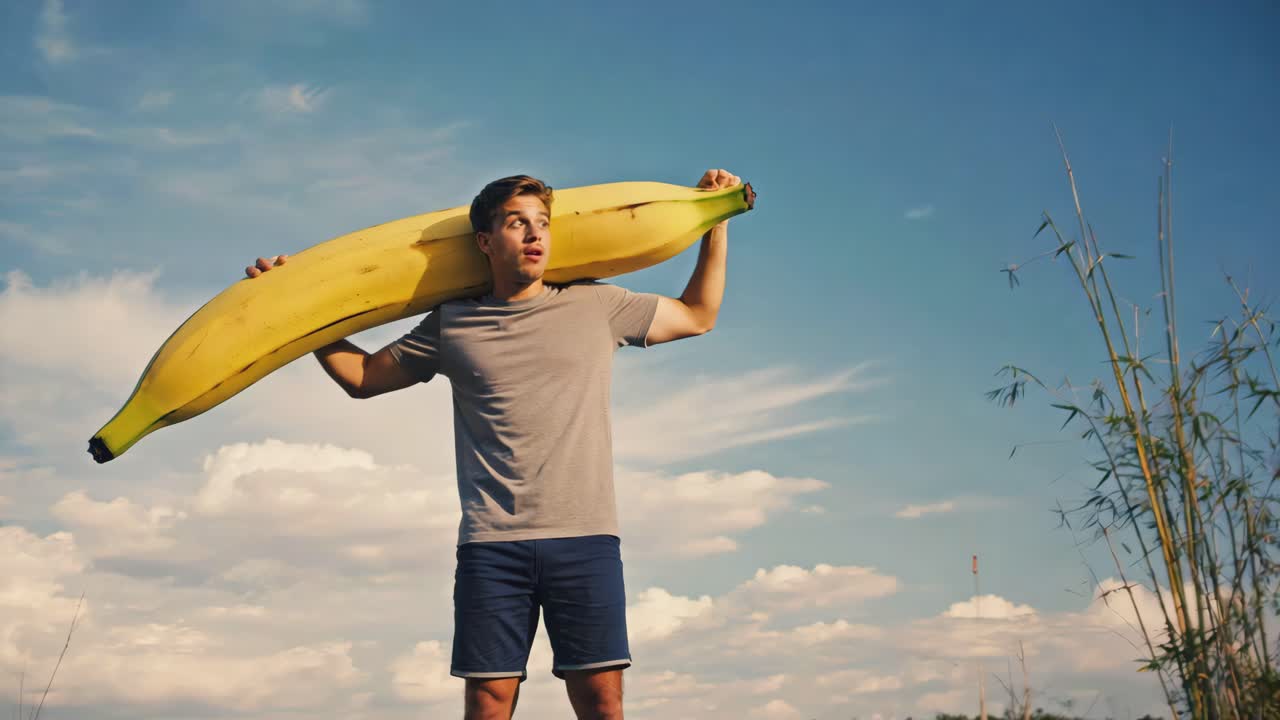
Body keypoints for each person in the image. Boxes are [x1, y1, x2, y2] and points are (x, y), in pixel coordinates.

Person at [245, 168, 740, 720]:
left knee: (602, 702)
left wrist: (715, 223)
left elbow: (699, 315)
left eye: (542, 224)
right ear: (485, 241)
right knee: (488, 701)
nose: (534, 235)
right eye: (516, 223)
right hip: (491, 544)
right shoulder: (452, 324)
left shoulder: (597, 307)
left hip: (585, 537)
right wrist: (293, 311)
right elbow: (363, 377)